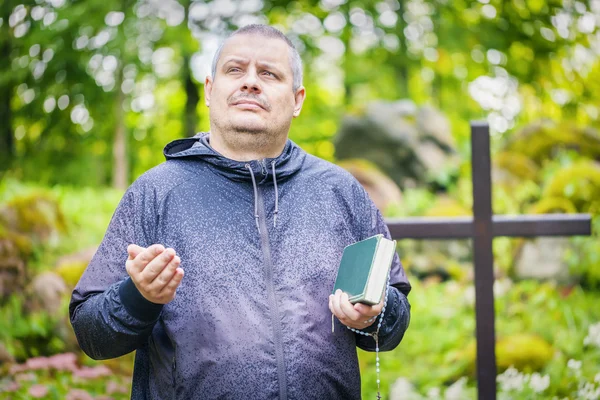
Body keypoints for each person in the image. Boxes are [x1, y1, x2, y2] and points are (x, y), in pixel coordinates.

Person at [69, 24, 411, 400]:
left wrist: (376, 314)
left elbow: (393, 320)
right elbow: (91, 334)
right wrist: (139, 296)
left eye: (269, 73)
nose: (250, 82)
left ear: (297, 99)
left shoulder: (340, 191)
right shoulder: (155, 193)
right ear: (209, 90)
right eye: (235, 70)